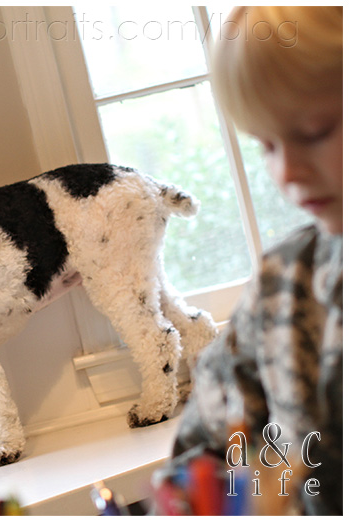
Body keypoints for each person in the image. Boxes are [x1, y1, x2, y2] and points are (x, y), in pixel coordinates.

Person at [153, 6, 342, 516]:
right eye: (268, 145)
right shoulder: (286, 282)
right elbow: (202, 460)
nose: (288, 171)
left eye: (315, 131)